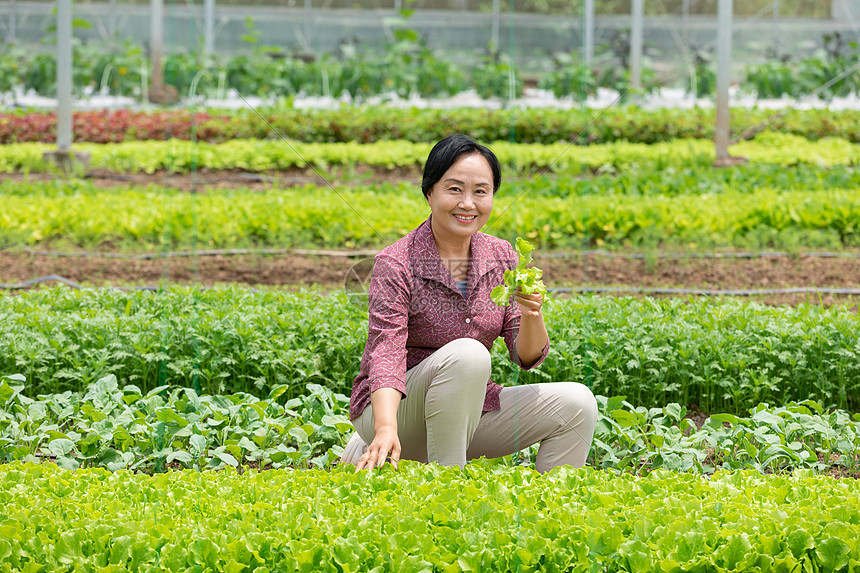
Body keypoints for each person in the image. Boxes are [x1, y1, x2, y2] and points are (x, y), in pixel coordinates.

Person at [342, 133, 598, 474]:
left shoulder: (502, 254)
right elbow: (386, 351)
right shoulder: (397, 262)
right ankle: (449, 491)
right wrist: (386, 428)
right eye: (454, 189)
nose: (468, 203)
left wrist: (532, 314)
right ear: (429, 192)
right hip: (395, 412)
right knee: (469, 353)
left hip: (466, 411)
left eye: (481, 191)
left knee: (577, 402)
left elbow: (526, 357)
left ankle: (551, 508)